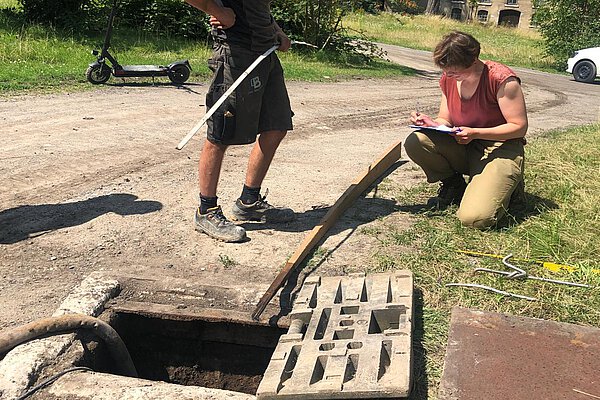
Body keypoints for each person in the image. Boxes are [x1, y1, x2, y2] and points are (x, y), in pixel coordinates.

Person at [184, 0, 295, 242]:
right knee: (221, 133)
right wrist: (217, 11)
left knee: (276, 125)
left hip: (266, 54)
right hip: (236, 54)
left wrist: (277, 30)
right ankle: (206, 211)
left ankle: (249, 202)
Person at [406, 31, 528, 229]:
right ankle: (454, 186)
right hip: (464, 142)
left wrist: (476, 133)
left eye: (455, 72)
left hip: (499, 149)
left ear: (473, 61)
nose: (449, 76)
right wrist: (431, 123)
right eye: (446, 71)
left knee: (475, 219)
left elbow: (519, 127)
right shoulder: (448, 79)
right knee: (417, 141)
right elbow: (446, 118)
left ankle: (511, 189)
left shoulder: (502, 79)